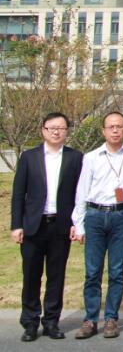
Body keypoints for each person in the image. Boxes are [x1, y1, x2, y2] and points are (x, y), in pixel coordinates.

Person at [10, 112, 83, 342]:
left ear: (66, 131)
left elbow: (79, 194)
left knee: (56, 276)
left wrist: (76, 223)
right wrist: (16, 225)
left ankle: (51, 321)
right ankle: (30, 322)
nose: (56, 131)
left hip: (60, 225)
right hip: (33, 225)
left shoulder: (75, 158)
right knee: (31, 275)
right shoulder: (29, 157)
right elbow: (18, 193)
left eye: (61, 128)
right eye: (52, 127)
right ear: (43, 129)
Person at [72, 110, 123, 339]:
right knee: (93, 271)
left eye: (119, 126)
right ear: (103, 131)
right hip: (95, 216)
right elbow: (81, 192)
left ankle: (111, 318)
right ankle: (90, 319)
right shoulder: (91, 157)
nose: (115, 130)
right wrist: (79, 224)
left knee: (117, 271)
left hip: (122, 216)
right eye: (111, 127)